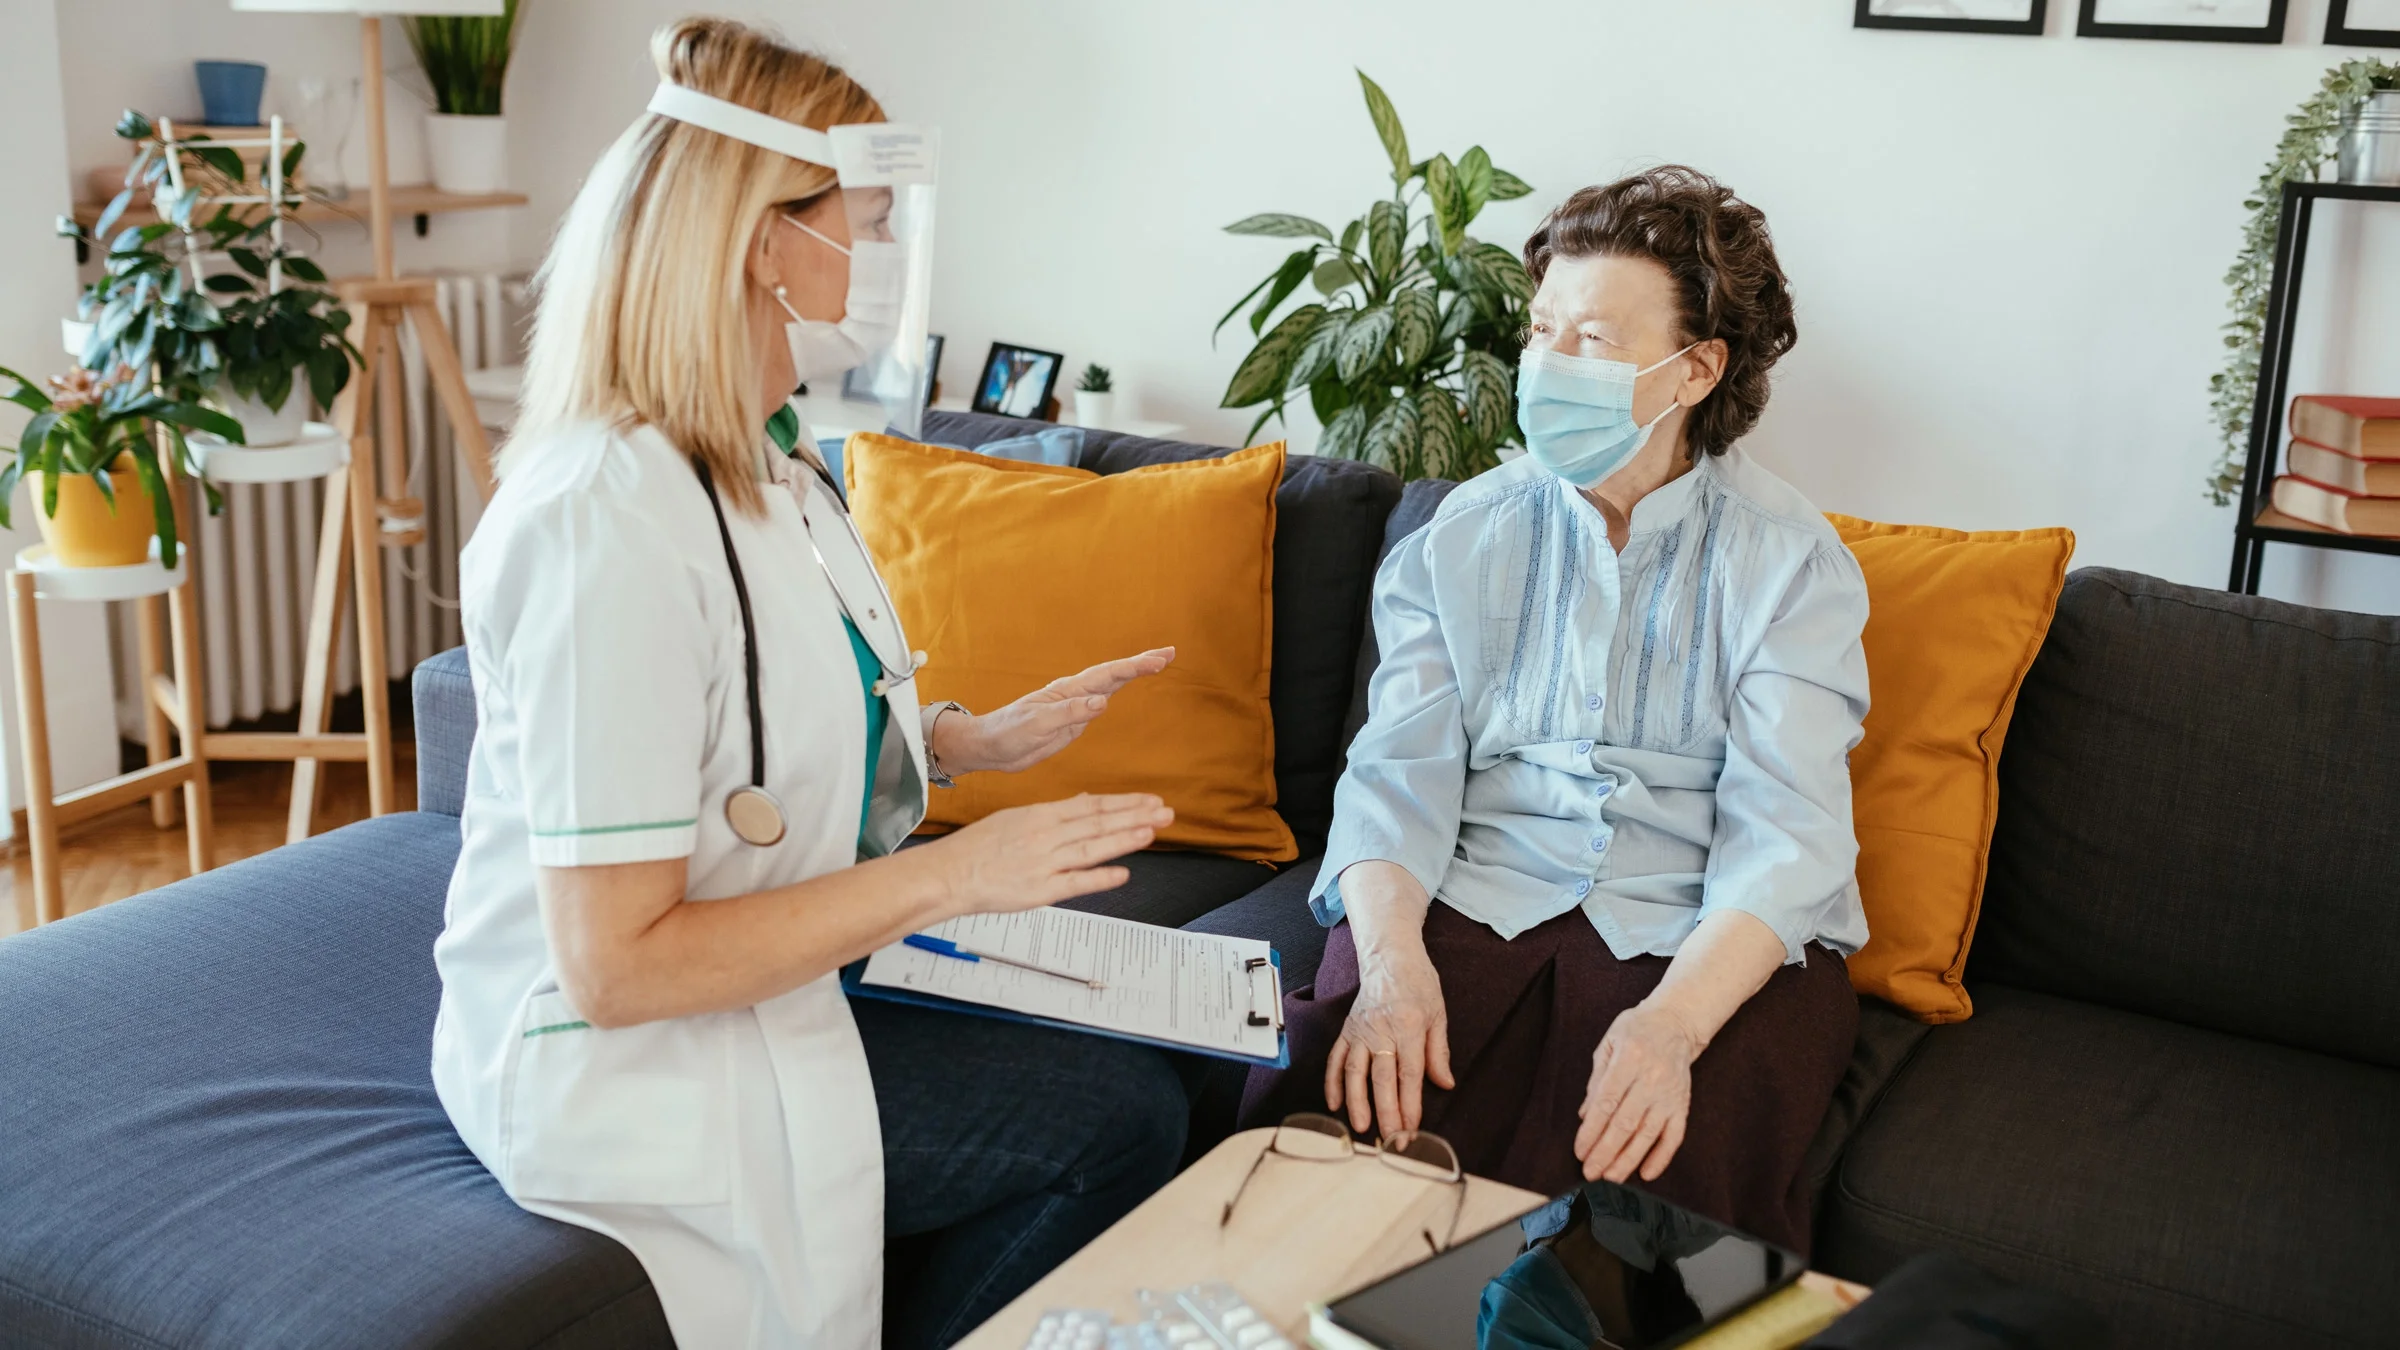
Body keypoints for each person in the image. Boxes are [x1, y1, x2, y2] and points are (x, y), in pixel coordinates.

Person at [430, 19, 1186, 1349]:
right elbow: (612, 966)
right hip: (625, 1062)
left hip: (786, 965)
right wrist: (959, 874)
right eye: (867, 219)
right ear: (763, 240)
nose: (885, 257)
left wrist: (960, 739)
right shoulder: (603, 518)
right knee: (1118, 1123)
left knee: (1135, 1072)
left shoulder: (774, 457)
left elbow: (777, 719)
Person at [1240, 166, 1867, 1255]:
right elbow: (1397, 778)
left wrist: (1672, 1025)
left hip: (1701, 934)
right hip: (1473, 897)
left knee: (1648, 1207)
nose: (1544, 366)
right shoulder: (1462, 536)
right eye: (1540, 331)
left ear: (1696, 368)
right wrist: (1389, 964)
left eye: (1591, 340)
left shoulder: (1791, 564)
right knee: (1333, 1122)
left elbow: (1788, 838)